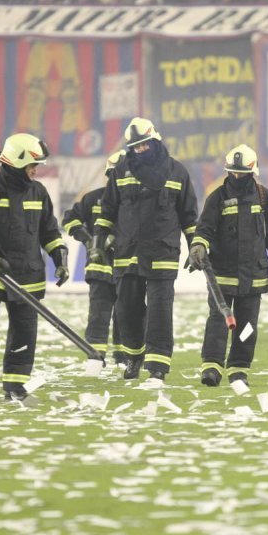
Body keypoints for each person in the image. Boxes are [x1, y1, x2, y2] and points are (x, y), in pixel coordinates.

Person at [0, 133, 69, 402]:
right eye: (33, 165)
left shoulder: (39, 192)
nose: (36, 170)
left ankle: (15, 386)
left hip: (28, 276)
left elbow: (49, 232)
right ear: (18, 162)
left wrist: (60, 259)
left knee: (24, 330)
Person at [90, 117, 198, 382]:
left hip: (162, 252)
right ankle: (133, 357)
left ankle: (158, 366)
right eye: (136, 147)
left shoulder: (177, 172)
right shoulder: (121, 170)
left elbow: (189, 216)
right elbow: (108, 211)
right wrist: (98, 242)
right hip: (127, 252)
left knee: (161, 310)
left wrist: (196, 245)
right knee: (127, 310)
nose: (140, 150)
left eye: (144, 145)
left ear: (155, 140)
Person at [188, 144, 268, 387]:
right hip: (222, 276)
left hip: (254, 276)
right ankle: (211, 367)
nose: (237, 176)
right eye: (233, 172)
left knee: (247, 326)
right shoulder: (217, 197)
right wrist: (198, 246)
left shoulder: (264, 196)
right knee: (218, 322)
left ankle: (239, 370)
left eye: (242, 172)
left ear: (252, 171)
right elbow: (204, 229)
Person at [61, 150, 126, 365]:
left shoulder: (135, 202)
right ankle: (95, 357)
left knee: (126, 316)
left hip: (128, 270)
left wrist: (115, 239)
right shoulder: (93, 199)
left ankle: (123, 358)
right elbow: (69, 220)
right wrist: (89, 241)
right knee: (98, 316)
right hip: (100, 269)